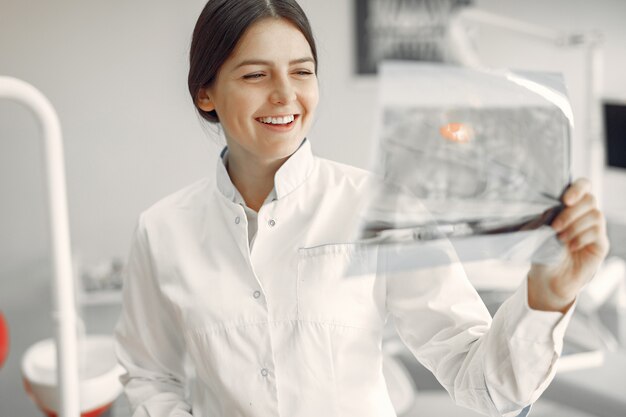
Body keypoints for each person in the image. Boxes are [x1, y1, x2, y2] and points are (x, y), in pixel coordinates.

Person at [114, 1, 610, 416]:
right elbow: (149, 375)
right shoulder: (162, 231)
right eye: (255, 74)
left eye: (302, 72)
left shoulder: (381, 205)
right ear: (206, 93)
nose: (286, 94)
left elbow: (483, 383)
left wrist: (548, 296)